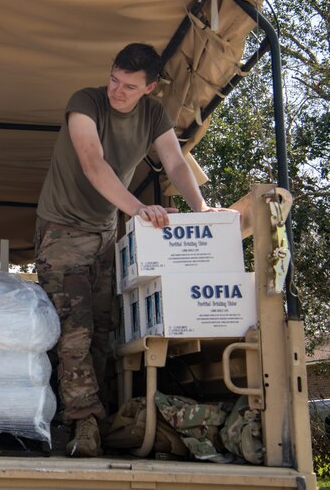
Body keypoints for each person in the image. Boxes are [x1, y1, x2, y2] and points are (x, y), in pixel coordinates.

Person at [35, 43, 227, 457]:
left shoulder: (154, 114)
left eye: (129, 86)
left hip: (105, 233)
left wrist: (203, 209)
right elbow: (92, 161)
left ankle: (96, 419)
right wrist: (140, 209)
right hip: (62, 230)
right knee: (74, 333)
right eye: (114, 80)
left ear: (150, 87)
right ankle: (82, 425)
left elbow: (176, 164)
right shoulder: (85, 102)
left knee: (104, 331)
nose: (117, 91)